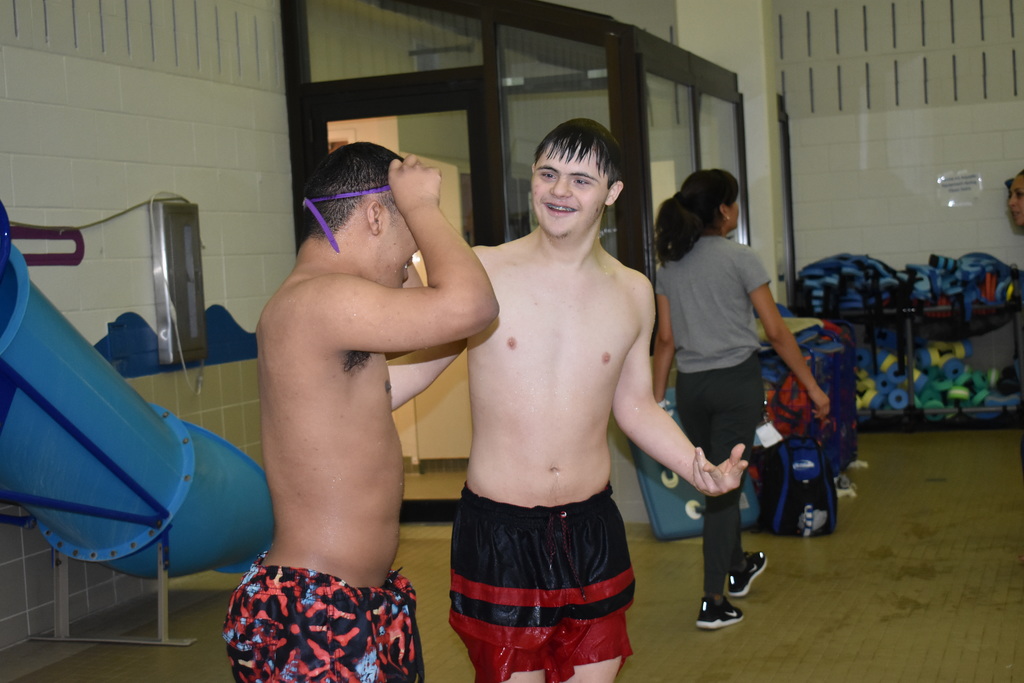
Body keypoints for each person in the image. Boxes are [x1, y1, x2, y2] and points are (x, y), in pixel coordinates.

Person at [388, 119, 747, 683]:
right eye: (548, 174)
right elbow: (407, 377)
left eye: (581, 179)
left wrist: (695, 466)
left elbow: (636, 407)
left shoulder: (632, 292)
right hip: (500, 533)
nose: (560, 191)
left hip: (591, 530)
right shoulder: (483, 271)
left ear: (613, 192)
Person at [222, 142, 498, 682]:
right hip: (315, 609)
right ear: (375, 214)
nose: (411, 255)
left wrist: (412, 244)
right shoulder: (320, 300)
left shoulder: (326, 310)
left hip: (353, 602)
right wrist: (422, 207)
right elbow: (471, 306)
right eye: (408, 238)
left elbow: (442, 339)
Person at [650, 168, 830, 631]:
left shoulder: (671, 267)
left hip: (691, 387)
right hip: (735, 385)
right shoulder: (740, 258)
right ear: (724, 210)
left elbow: (665, 340)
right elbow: (776, 331)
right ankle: (713, 600)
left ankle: (738, 565)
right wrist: (812, 387)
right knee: (721, 492)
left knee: (716, 475)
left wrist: (652, 403)